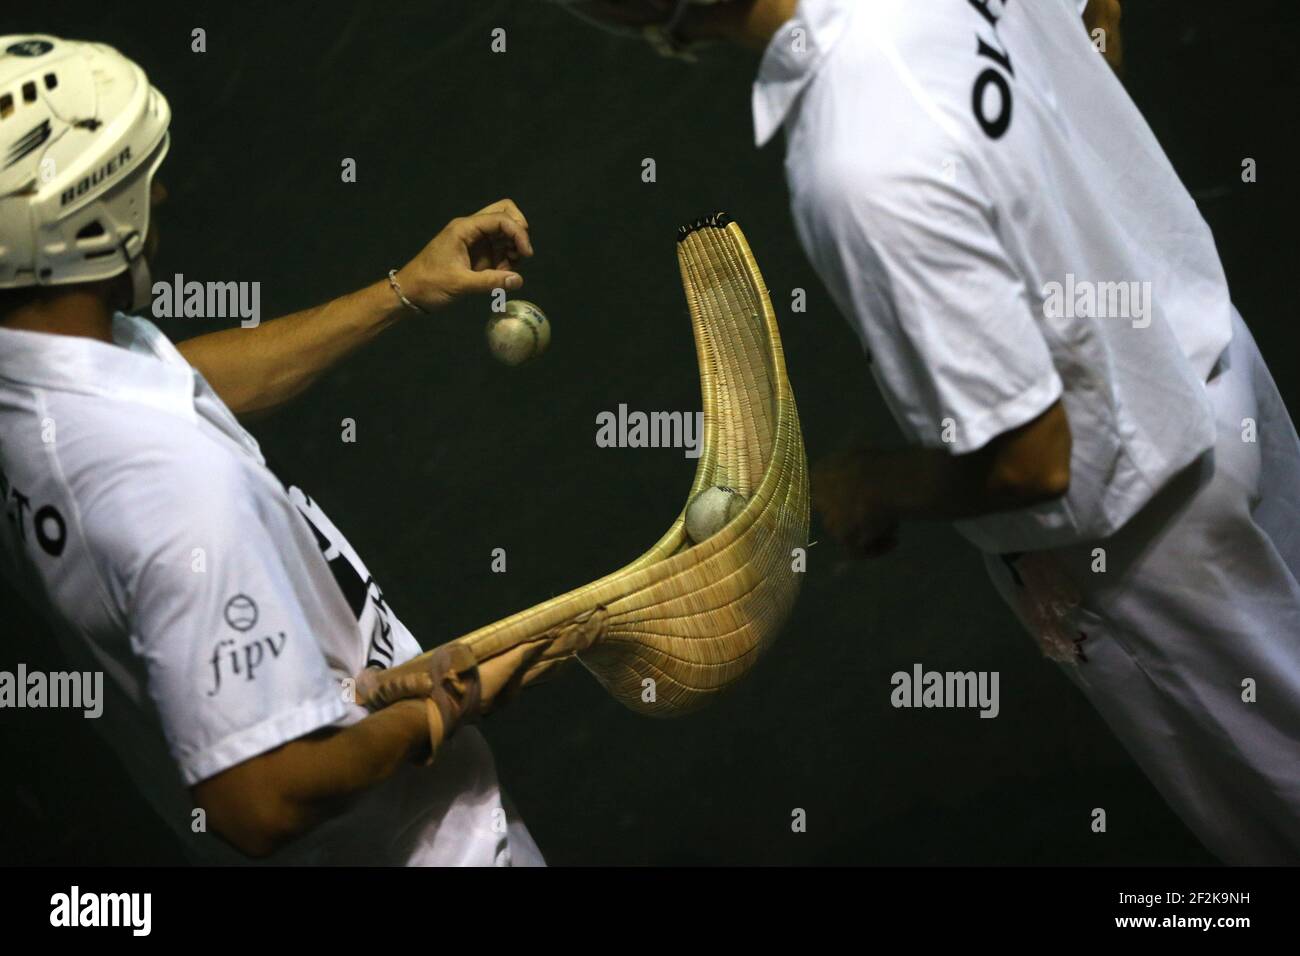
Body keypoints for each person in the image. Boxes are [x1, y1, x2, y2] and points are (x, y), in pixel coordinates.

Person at [547, 0, 1300, 863]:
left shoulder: (856, 163)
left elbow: (1033, 460)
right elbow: (1098, 10)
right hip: (1221, 373)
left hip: (1150, 544)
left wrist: (872, 484)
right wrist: (1062, 197)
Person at [0, 34, 544, 865]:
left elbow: (173, 382)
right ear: (94, 226)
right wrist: (439, 707)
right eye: (139, 186)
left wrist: (402, 291)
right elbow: (260, 800)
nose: (164, 195)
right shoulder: (176, 495)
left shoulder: (36, 374)